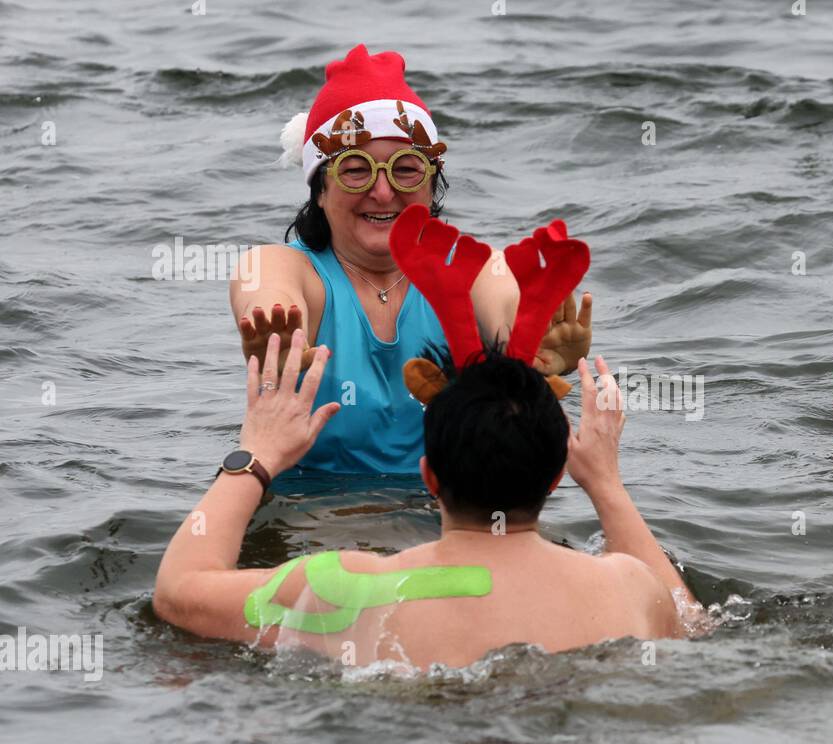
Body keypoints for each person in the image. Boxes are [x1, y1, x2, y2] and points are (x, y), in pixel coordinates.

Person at [156, 217, 697, 669]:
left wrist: (257, 455)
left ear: (430, 474)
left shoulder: (345, 590)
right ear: (557, 475)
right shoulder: (628, 588)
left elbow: (179, 593)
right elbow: (692, 624)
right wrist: (605, 483)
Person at [230, 44, 593, 474]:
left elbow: (506, 299)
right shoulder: (286, 267)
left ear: (431, 185)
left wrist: (529, 348)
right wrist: (275, 335)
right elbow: (264, 288)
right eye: (355, 169)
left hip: (446, 520)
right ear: (320, 190)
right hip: (310, 526)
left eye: (405, 169)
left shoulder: (472, 271)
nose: (383, 192)